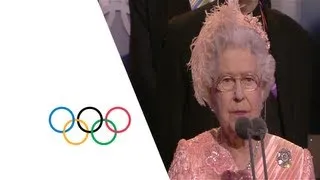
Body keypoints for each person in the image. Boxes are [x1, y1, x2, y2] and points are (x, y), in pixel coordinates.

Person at [157, 0, 316, 170]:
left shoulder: (295, 38)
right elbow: (168, 135)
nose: (239, 94)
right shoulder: (182, 34)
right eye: (226, 80)